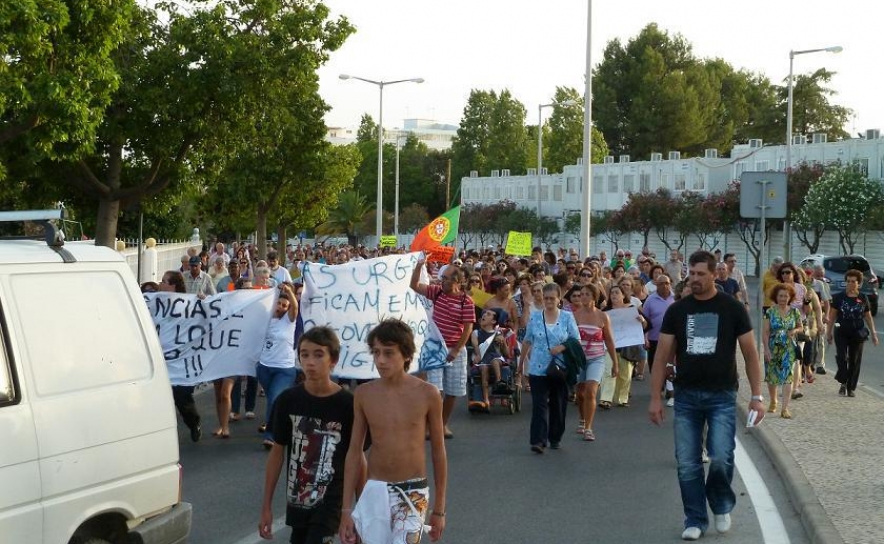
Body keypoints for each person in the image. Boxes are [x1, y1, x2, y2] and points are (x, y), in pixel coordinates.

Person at [648, 251, 765, 541]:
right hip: (686, 396)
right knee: (687, 461)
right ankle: (695, 519)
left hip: (722, 394)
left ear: (715, 274)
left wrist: (758, 396)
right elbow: (662, 355)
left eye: (701, 274)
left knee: (722, 456)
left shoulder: (732, 308)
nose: (694, 278)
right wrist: (655, 397)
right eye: (691, 273)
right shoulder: (678, 310)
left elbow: (750, 354)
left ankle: (721, 504)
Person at [339, 319, 447, 544]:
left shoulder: (428, 394)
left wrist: (439, 509)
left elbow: (438, 451)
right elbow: (354, 451)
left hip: (413, 491)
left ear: (406, 355)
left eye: (388, 353)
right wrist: (346, 509)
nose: (380, 360)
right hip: (375, 490)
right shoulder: (364, 394)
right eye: (376, 353)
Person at [259, 326, 362, 544]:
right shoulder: (288, 400)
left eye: (318, 354)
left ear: (333, 360)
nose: (310, 362)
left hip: (331, 502)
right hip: (298, 501)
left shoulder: (348, 405)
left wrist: (360, 510)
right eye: (304, 355)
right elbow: (277, 453)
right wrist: (266, 506)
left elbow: (358, 458)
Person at [410, 258, 475, 439]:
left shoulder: (466, 301)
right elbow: (414, 285)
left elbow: (468, 327)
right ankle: (432, 425)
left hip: (456, 349)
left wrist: (456, 350)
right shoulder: (436, 292)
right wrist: (418, 266)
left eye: (446, 278)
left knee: (453, 391)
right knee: (434, 390)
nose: (441, 281)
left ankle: (442, 425)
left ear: (457, 281)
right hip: (435, 348)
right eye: (442, 277)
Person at [519, 283, 580, 453]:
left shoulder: (567, 317)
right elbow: (527, 340)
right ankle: (538, 440)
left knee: (558, 403)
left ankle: (555, 437)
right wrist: (520, 363)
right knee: (539, 405)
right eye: (546, 298)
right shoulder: (536, 317)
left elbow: (576, 340)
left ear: (559, 299)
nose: (549, 301)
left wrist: (561, 347)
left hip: (559, 367)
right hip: (538, 367)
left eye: (552, 298)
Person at [159, 270, 202, 442]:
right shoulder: (157, 303)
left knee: (182, 399)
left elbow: (203, 319)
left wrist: (203, 303)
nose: (161, 284)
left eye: (164, 281)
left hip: (181, 361)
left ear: (174, 286)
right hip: (161, 361)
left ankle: (193, 422)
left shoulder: (187, 304)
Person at [572, 283, 618, 441]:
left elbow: (610, 341)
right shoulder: (575, 315)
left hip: (597, 358)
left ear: (594, 297)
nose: (582, 297)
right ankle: (582, 419)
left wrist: (615, 363)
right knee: (580, 393)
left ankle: (588, 428)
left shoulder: (603, 316)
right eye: (581, 294)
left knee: (591, 391)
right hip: (579, 359)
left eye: (586, 294)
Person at [256, 283, 300, 449]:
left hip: (284, 369)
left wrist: (289, 292)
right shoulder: (265, 319)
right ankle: (285, 424)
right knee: (273, 401)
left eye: (284, 305)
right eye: (278, 303)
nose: (280, 307)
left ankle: (270, 435)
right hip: (264, 368)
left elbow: (295, 307)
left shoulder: (289, 321)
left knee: (274, 399)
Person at [826, 269, 879, 397]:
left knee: (855, 360)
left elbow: (868, 316)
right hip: (841, 331)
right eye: (848, 281)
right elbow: (832, 316)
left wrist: (873, 333)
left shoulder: (862, 298)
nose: (850, 283)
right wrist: (829, 332)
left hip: (857, 333)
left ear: (858, 284)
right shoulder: (838, 297)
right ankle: (843, 381)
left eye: (853, 281)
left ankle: (850, 388)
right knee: (842, 357)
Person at [762, 283, 803, 419]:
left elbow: (800, 327)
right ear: (776, 296)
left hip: (788, 348)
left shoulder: (794, 312)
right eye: (781, 296)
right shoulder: (770, 312)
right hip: (773, 347)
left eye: (786, 296)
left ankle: (785, 408)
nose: (783, 298)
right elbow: (766, 332)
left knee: (787, 377)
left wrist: (794, 330)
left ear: (790, 297)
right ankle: (773, 400)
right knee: (772, 376)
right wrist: (766, 349)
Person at [470, 308, 511, 410]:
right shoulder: (476, 333)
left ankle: (499, 383)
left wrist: (503, 342)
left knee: (495, 361)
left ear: (493, 321)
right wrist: (478, 355)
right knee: (484, 369)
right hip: (483, 359)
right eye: (484, 314)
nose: (484, 315)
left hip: (495, 358)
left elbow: (507, 353)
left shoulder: (498, 334)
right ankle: (486, 400)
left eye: (488, 314)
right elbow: (475, 346)